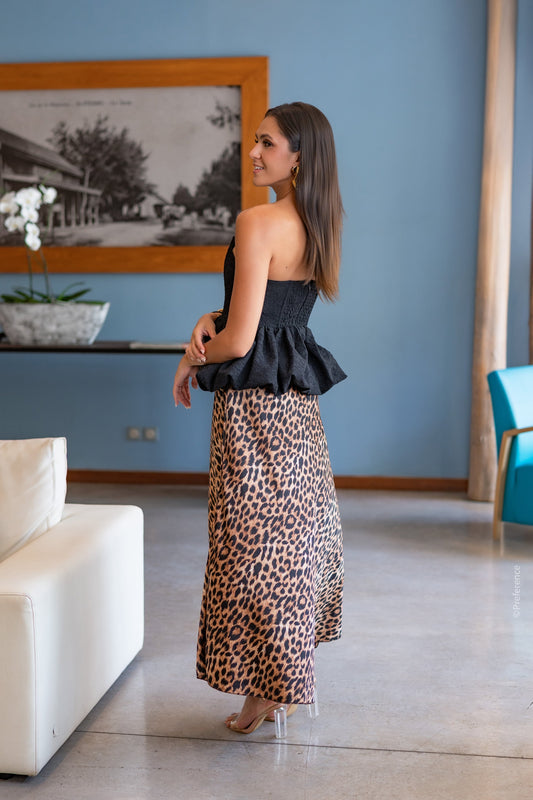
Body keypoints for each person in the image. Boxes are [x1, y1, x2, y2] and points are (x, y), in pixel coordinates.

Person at [173, 101, 346, 734]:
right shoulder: (318, 222)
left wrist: (190, 359)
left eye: (267, 143)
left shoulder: (256, 221)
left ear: (298, 157)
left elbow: (244, 340)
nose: (253, 152)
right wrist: (212, 319)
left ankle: (264, 693)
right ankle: (281, 681)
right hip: (296, 406)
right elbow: (273, 318)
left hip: (251, 411)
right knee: (294, 540)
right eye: (255, 140)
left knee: (246, 545)